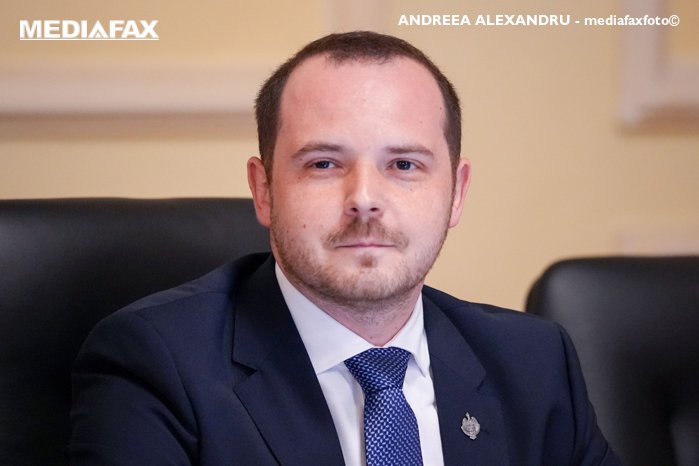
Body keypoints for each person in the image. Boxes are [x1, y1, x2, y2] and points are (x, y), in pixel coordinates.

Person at [69, 31, 620, 465]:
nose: (364, 200)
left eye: (403, 164)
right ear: (264, 191)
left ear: (456, 194)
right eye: (324, 164)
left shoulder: (534, 361)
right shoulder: (156, 364)